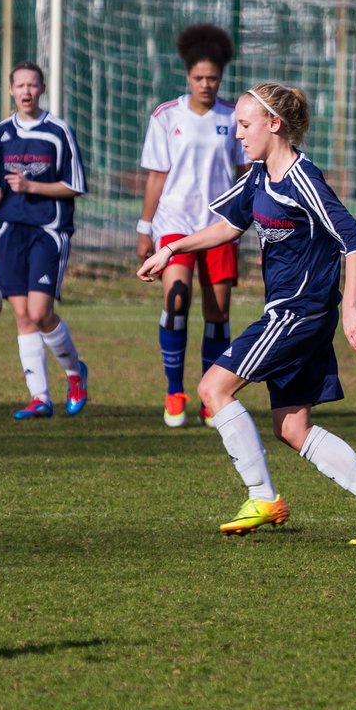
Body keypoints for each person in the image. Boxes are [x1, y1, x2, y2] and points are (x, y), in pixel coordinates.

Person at [136, 82, 356, 544]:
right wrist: (173, 249)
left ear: (274, 124)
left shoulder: (304, 180)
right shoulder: (260, 175)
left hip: (298, 312)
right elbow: (228, 226)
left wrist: (350, 308)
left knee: (212, 387)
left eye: (245, 125)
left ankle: (262, 496)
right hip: (295, 312)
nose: (237, 135)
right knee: (292, 426)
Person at [138, 24, 250, 428]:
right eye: (199, 77)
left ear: (221, 78)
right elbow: (156, 176)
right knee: (177, 299)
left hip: (220, 227)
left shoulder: (234, 117)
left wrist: (247, 217)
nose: (206, 84)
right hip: (174, 225)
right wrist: (144, 228)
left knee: (217, 313)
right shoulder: (167, 116)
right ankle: (173, 390)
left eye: (213, 78)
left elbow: (243, 172)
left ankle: (209, 395)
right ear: (187, 76)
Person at [0, 60, 89, 420]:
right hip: (10, 232)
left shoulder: (58, 131)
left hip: (48, 231)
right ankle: (40, 397)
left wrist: (32, 186)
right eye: (20, 85)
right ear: (11, 90)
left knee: (41, 313)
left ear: (42, 89)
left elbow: (75, 186)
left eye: (32, 85)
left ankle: (75, 373)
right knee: (22, 316)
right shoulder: (2, 134)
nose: (26, 91)